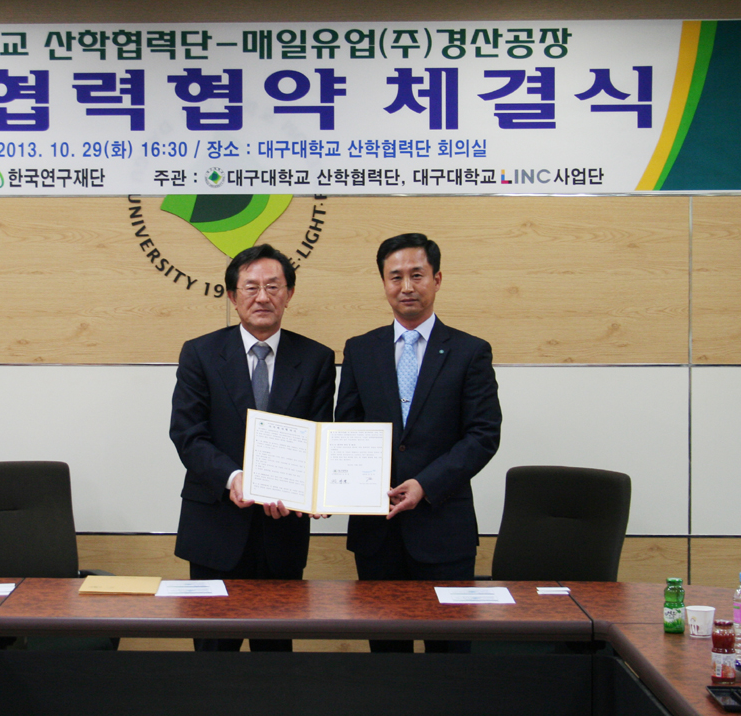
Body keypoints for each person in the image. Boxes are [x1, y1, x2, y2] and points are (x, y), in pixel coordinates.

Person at [336, 233, 502, 653]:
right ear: (384, 283)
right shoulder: (360, 350)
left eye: (417, 275)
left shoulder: (470, 352)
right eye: (395, 277)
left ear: (437, 279)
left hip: (443, 528)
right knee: (387, 659)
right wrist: (338, 484)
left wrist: (425, 484)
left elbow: (483, 434)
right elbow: (347, 429)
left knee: (449, 657)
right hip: (377, 530)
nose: (406, 286)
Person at [170, 244, 336, 651]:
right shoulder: (200, 353)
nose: (263, 297)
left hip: (283, 532)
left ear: (289, 294)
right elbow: (188, 433)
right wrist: (233, 477)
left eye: (273, 287)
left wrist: (318, 490)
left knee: (274, 660)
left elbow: (320, 438)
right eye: (251, 287)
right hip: (215, 529)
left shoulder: (316, 358)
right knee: (213, 658)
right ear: (232, 296)